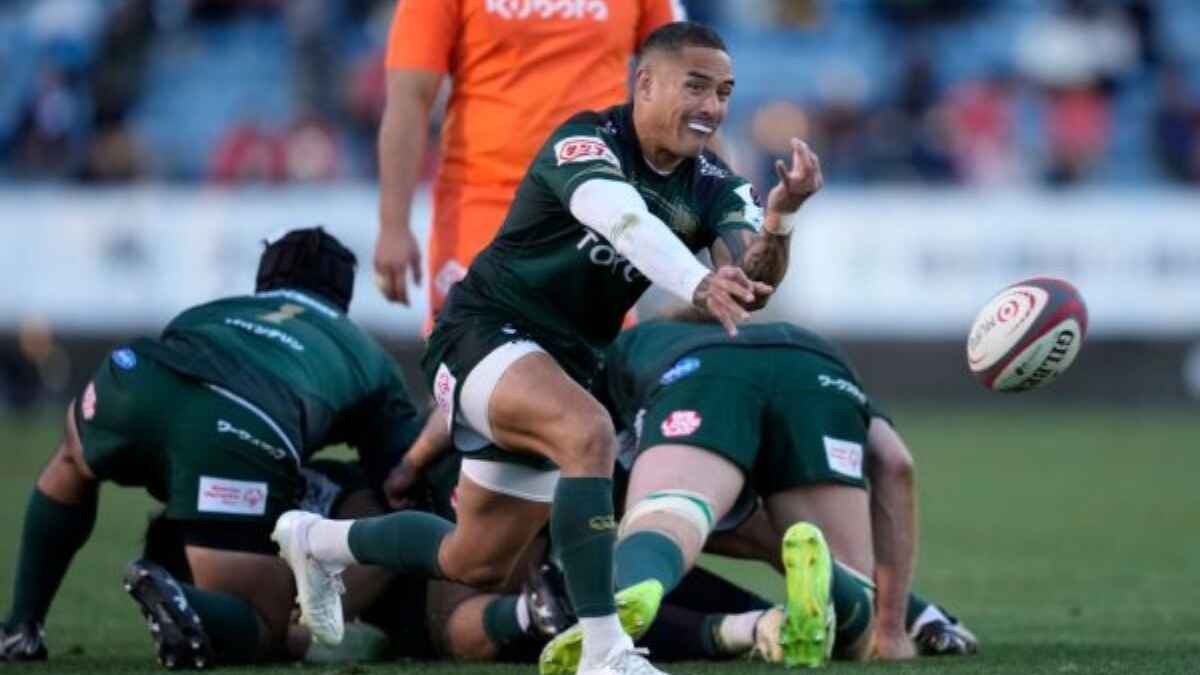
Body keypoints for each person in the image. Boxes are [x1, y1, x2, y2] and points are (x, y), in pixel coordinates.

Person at [273, 20, 822, 675]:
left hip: (561, 364)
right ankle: (604, 650)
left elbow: (752, 280)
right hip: (481, 331)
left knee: (473, 559)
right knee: (587, 431)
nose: (712, 106)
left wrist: (780, 221)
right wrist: (699, 282)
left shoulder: (713, 182)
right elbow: (624, 223)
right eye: (696, 85)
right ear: (644, 83)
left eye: (724, 92)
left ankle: (317, 539)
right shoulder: (584, 141)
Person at [0, 228, 430, 668]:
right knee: (267, 625)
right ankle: (184, 602)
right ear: (344, 299)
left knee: (72, 460)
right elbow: (404, 474)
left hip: (136, 376)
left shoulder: (217, 308)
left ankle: (21, 626)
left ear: (264, 281)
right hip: (239, 422)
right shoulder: (365, 353)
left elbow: (182, 390)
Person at [548, 316, 976, 669]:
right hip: (813, 369)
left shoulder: (619, 352)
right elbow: (896, 463)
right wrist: (892, 628)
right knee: (855, 626)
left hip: (700, 374)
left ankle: (636, 586)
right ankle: (845, 593)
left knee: (668, 516)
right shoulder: (783, 336)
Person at [373, 0, 686, 320]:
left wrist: (728, 213)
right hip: (483, 206)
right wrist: (393, 225)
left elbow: (687, 89)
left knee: (593, 361)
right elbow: (409, 99)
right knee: (470, 354)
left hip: (595, 209)